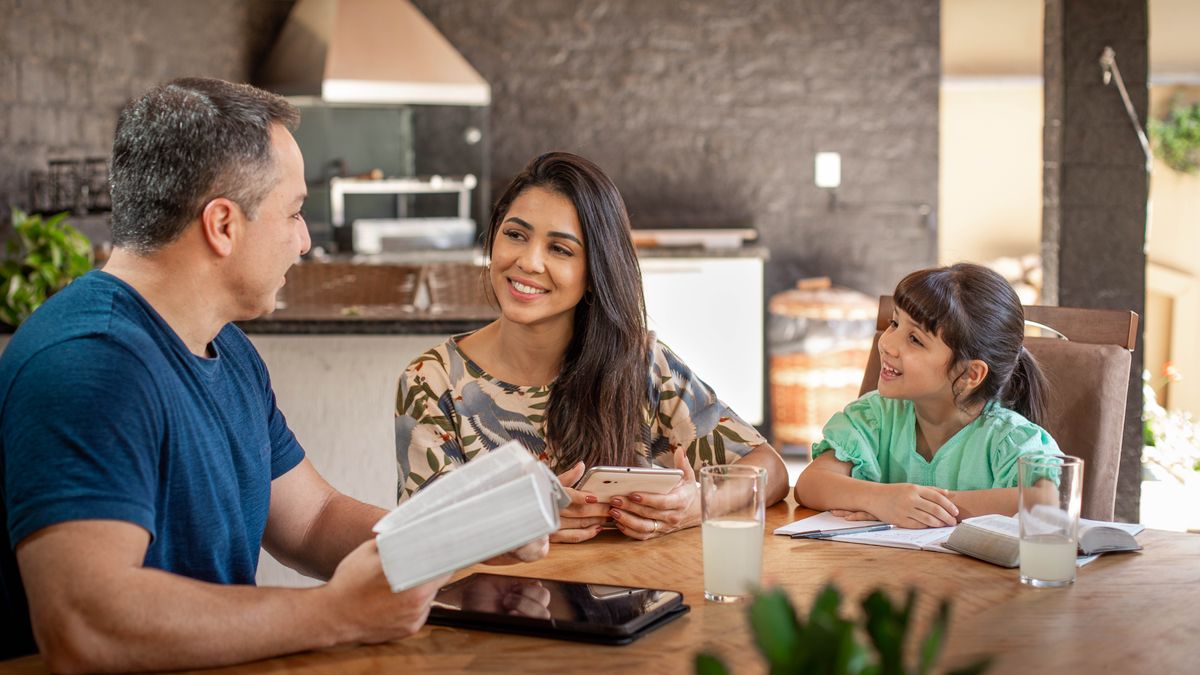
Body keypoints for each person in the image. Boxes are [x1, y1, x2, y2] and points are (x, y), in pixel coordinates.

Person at [0, 78, 544, 670]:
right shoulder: (90, 363)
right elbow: (85, 626)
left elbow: (311, 521)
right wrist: (337, 615)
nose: (305, 240)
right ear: (223, 225)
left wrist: (457, 546)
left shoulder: (224, 347)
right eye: (294, 212)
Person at [394, 152, 788, 544]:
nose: (528, 262)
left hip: (633, 597)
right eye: (515, 235)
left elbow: (770, 469)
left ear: (594, 273)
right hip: (491, 602)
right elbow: (420, 536)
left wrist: (699, 502)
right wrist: (520, 520)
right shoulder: (432, 381)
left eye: (560, 249)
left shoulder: (642, 365)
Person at [793, 263, 1062, 528]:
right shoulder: (874, 417)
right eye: (894, 323)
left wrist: (917, 507)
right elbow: (810, 484)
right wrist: (883, 500)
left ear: (970, 374)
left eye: (915, 339)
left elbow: (1043, 502)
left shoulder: (1009, 439)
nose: (886, 343)